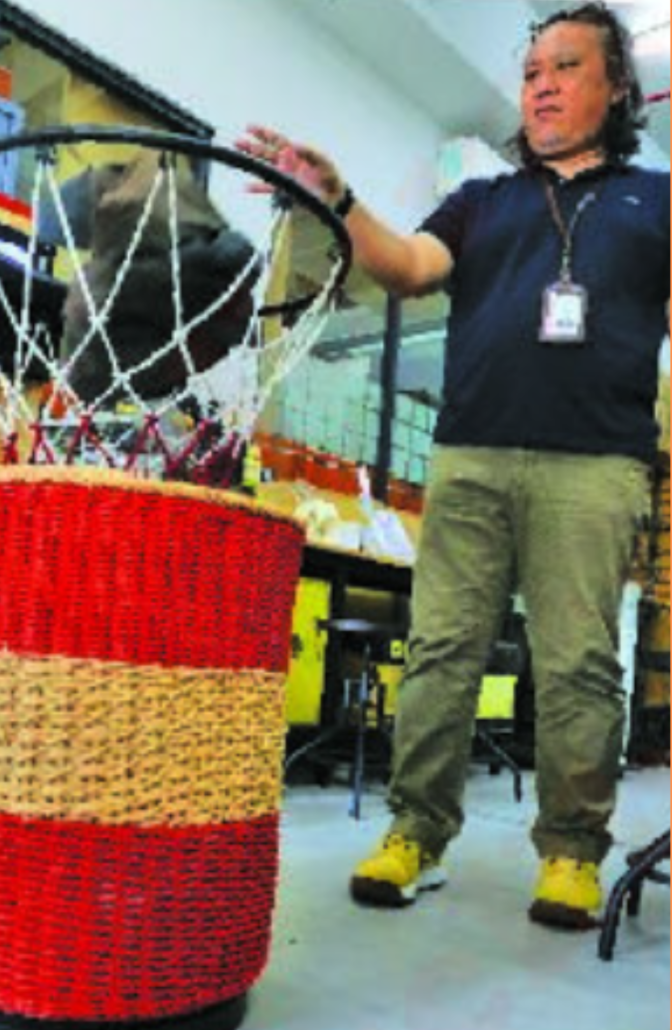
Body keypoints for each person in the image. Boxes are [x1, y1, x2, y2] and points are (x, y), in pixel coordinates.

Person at [238, 1, 670, 929]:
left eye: (565, 66)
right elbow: (403, 265)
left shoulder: (657, 201)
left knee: (579, 663)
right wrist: (338, 198)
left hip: (597, 462)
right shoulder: (481, 201)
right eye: (531, 72)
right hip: (472, 453)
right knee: (440, 652)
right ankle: (415, 834)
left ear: (616, 87)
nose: (541, 85)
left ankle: (571, 852)